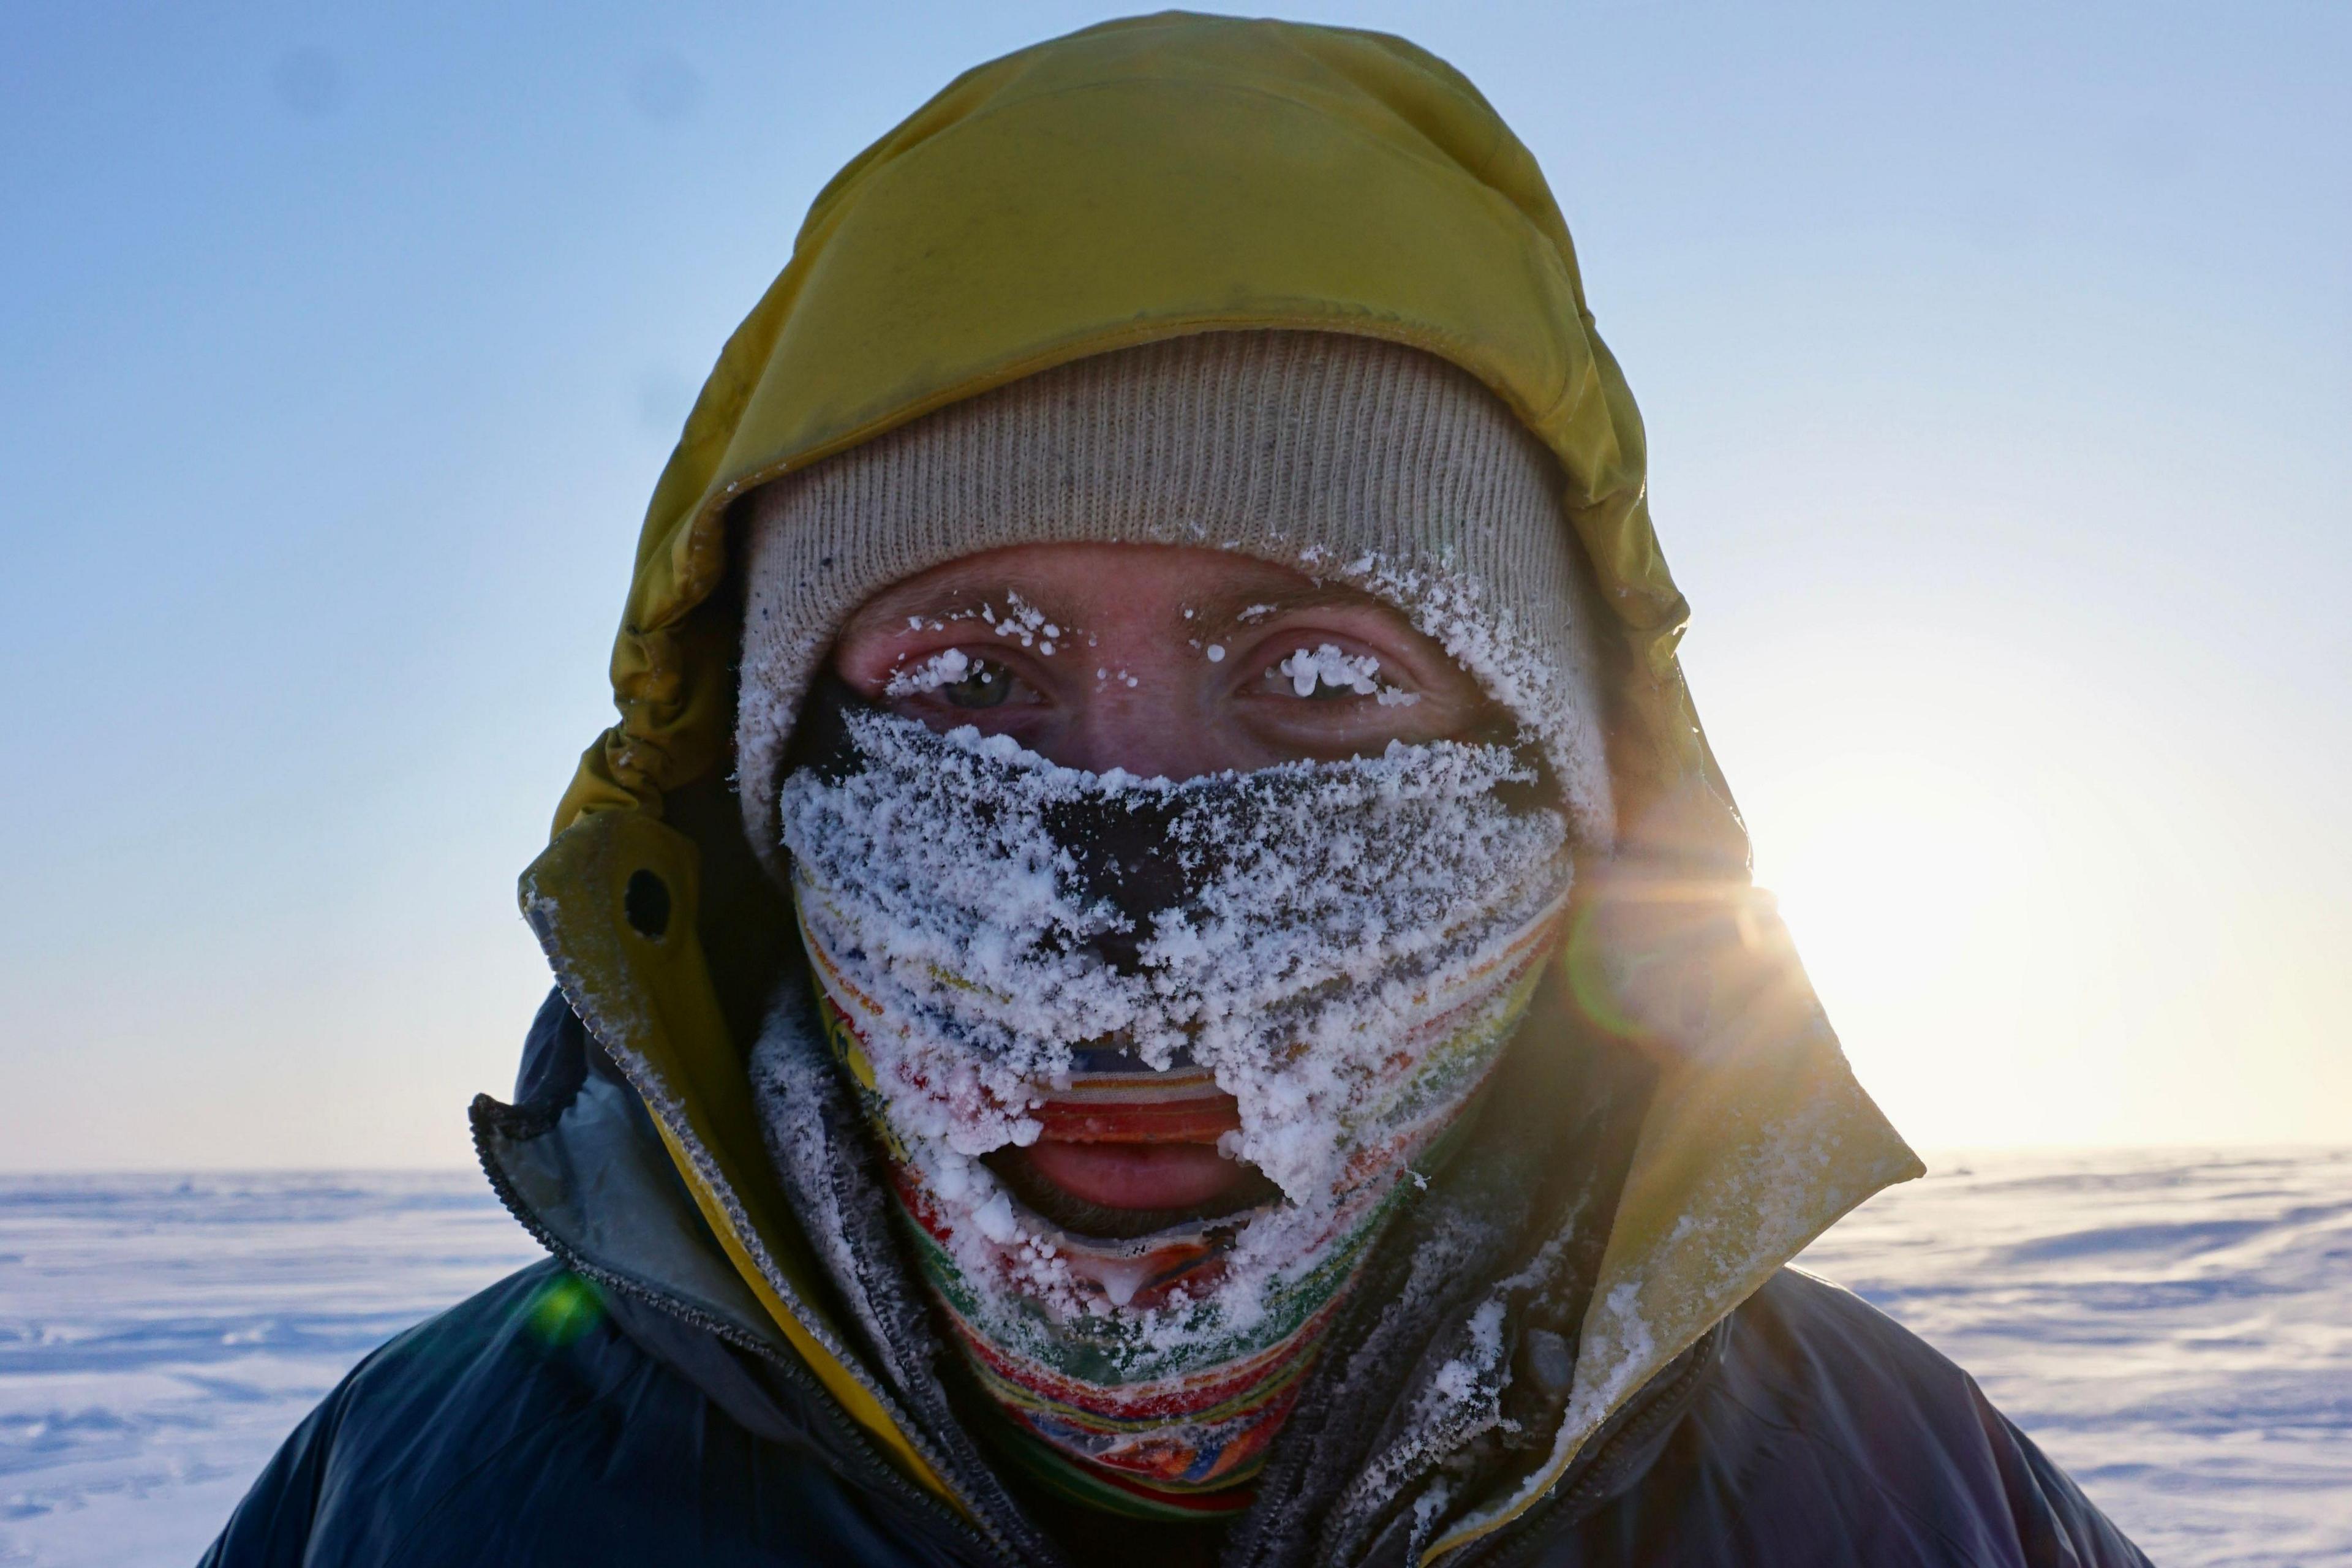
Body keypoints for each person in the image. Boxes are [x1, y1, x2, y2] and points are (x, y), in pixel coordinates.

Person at [203, 15, 2151, 1566]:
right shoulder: (410, 1510)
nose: (1119, 901)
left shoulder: (1905, 1510)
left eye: (1318, 675)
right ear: (765, 797)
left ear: (1575, 807)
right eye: (970, 678)